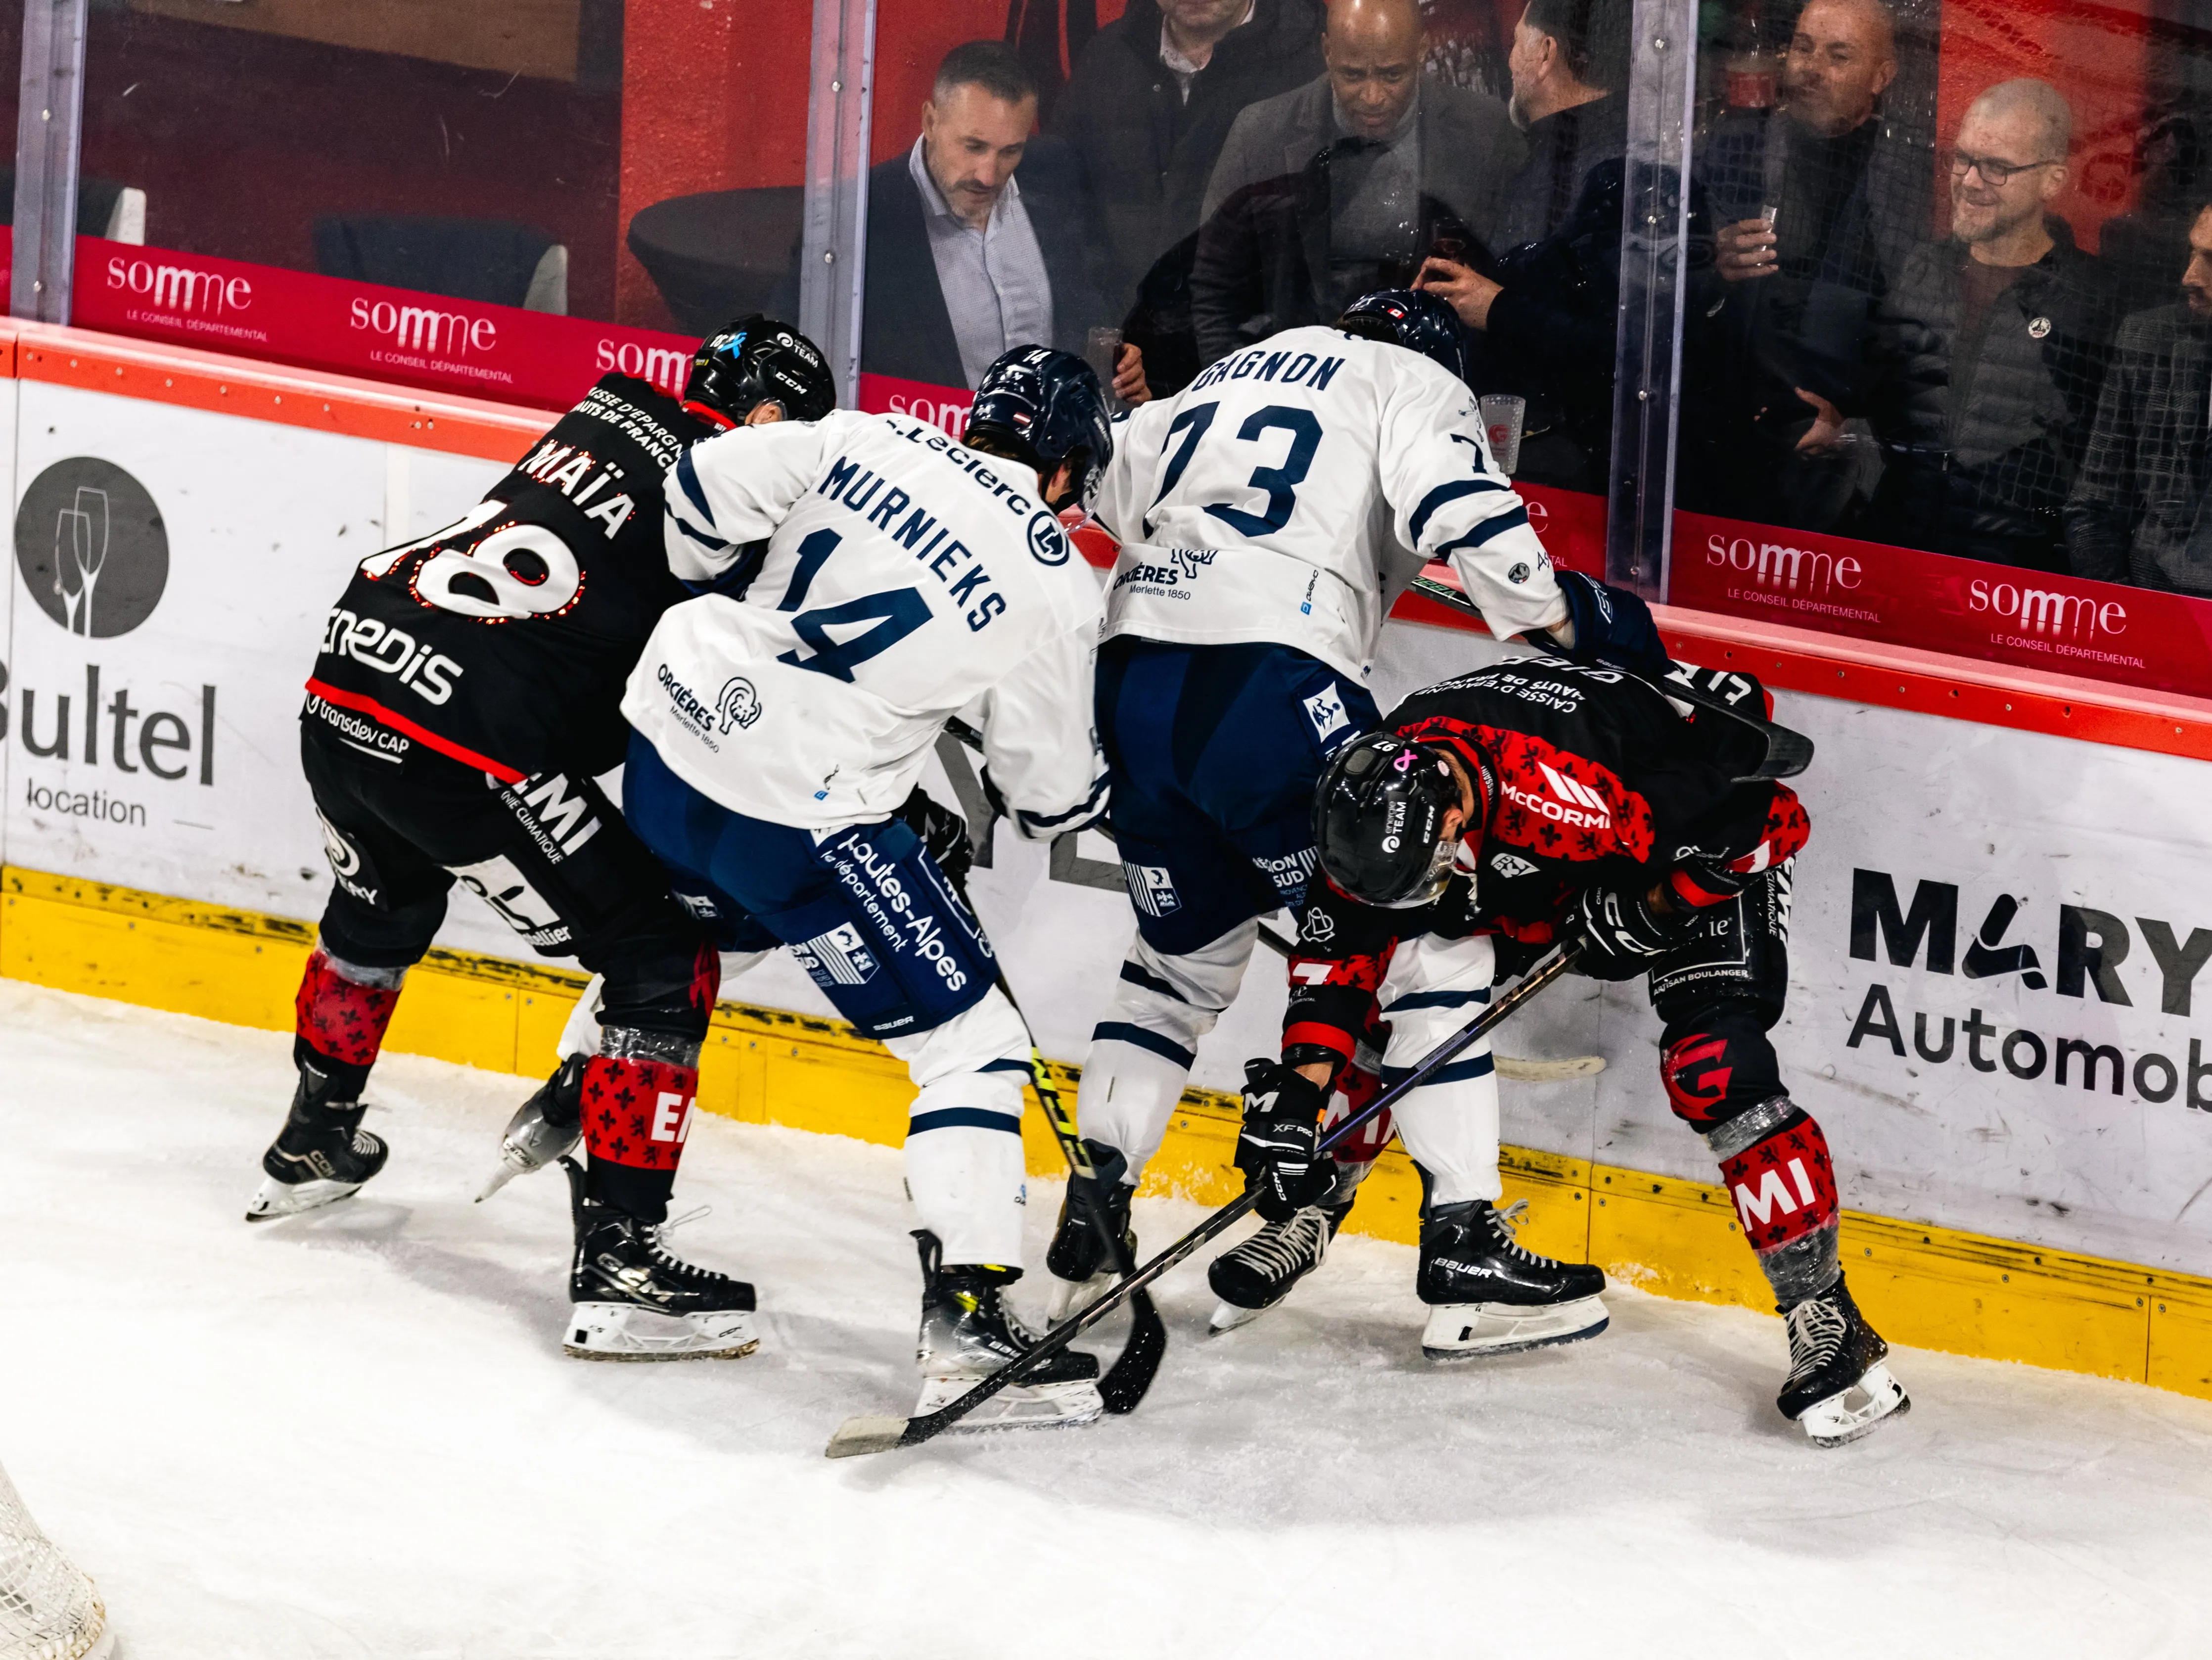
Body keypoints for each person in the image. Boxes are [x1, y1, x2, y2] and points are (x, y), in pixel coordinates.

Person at [1042, 287, 1665, 1328]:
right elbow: (1462, 513)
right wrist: (1562, 620)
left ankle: (1094, 1208)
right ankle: (1462, 1234)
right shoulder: (1412, 378)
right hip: (1270, 684)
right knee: (1435, 945)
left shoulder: (1232, 371)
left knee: (1178, 964)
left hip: (1133, 678)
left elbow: (1097, 485)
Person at [252, 318, 839, 1363]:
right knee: (661, 956)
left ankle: (314, 1137)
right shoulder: (730, 503)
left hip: (345, 679)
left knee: (382, 902)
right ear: (764, 422)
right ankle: (621, 1257)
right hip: (465, 734)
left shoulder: (601, 416)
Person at [616, 346, 1115, 1432]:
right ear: (1070, 472)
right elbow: (1048, 794)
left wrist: (722, 580)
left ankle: (592, 1136)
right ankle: (970, 1321)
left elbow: (697, 487)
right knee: (968, 1044)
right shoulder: (1053, 574)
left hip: (664, 739)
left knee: (716, 932)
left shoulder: (875, 435)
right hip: (795, 810)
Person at [1263, 653, 1909, 1446]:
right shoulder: (1379, 795)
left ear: (1456, 815)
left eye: (1421, 875)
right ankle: (1316, 1207)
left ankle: (1828, 1318)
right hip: (1550, 857)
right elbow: (1342, 956)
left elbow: (1774, 822)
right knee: (1391, 1001)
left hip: (1682, 855)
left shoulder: (1575, 801)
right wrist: (1297, 1101)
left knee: (1714, 1068)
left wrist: (1657, 904)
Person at [1841, 78, 2119, 570]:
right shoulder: (1920, 269)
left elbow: (2101, 465)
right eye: (1962, 158)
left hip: (2016, 582)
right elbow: (1871, 406)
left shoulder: (2089, 299)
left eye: (1996, 168)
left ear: (2051, 181)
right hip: (1897, 553)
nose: (1968, 181)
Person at [1683, 0, 1932, 531]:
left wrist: (1851, 418)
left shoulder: (1915, 180)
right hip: (1718, 436)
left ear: (1880, 76)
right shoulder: (1729, 150)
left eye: (1837, 55)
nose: (1809, 68)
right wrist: (1709, 261)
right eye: (1802, 47)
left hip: (1840, 462)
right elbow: (1655, 285)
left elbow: (1925, 330)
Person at [1188, 0, 1523, 366]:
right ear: (1327, 52)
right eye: (1353, 75)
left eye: (1393, 74)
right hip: (1295, 380)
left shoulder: (1486, 132)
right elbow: (1213, 289)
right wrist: (1235, 390)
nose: (1373, 96)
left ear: (1422, 50)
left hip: (1436, 377)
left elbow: (1512, 285)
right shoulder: (1261, 134)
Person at [1411, 0, 1635, 493]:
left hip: (1574, 472)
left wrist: (1495, 308)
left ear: (1544, 54)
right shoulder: (1553, 155)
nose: (1510, 61)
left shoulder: (1605, 174)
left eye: (1516, 43)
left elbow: (1620, 347)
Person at [860, 41, 1148, 400]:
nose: (989, 176)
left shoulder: (1053, 173)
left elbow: (1094, 294)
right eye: (973, 147)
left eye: (1011, 151)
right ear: (930, 122)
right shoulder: (866, 213)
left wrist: (1119, 366)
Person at [1055, 0, 1327, 315]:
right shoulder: (1106, 57)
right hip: (1125, 332)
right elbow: (1063, 201)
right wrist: (1105, 308)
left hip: (1259, 343)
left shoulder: (1317, 61)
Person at [2065, 201, 2212, 594]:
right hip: (2150, 603)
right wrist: (2125, 617)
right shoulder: (2151, 340)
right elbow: (2094, 506)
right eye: (2193, 253)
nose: (2190, 277)